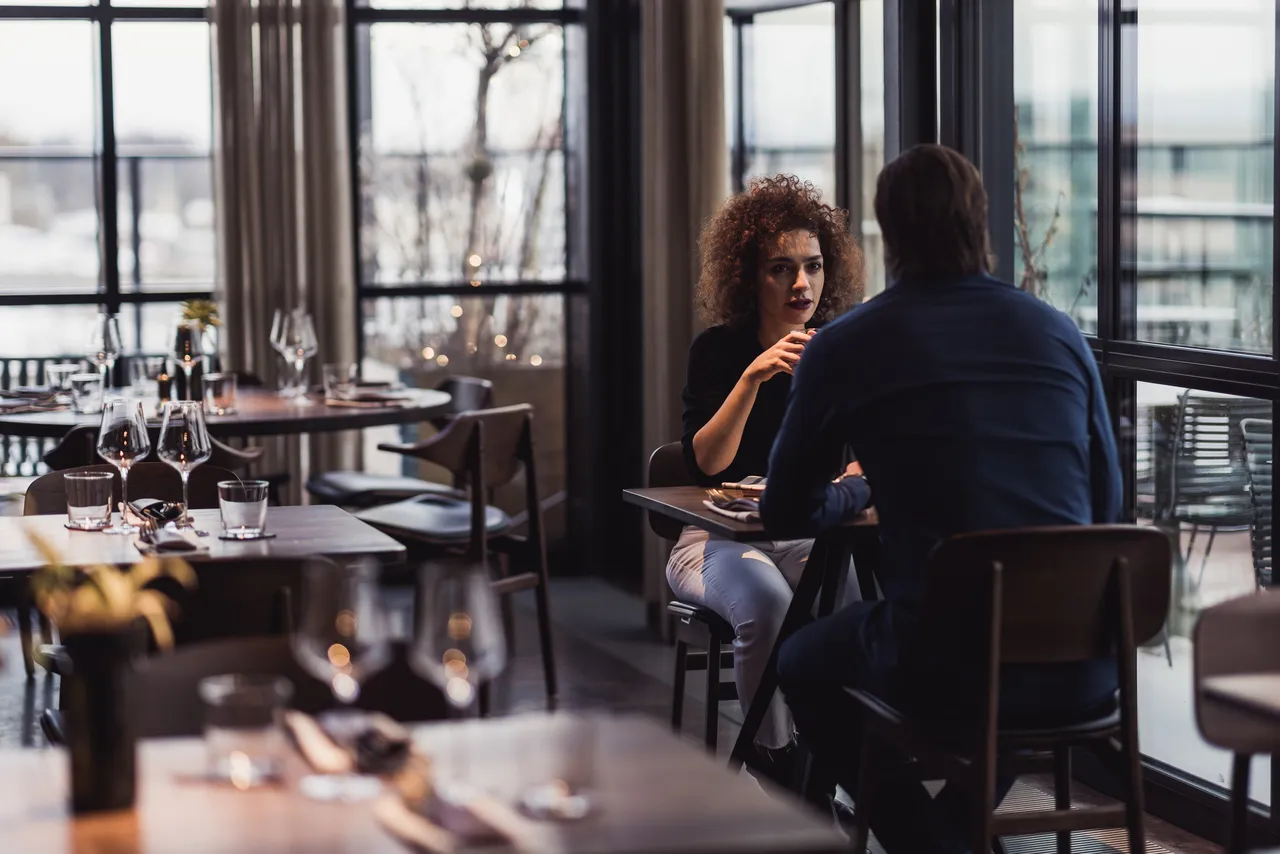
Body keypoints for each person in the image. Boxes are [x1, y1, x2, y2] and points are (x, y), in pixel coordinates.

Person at [759, 145, 1122, 853]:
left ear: (886, 231)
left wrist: (856, 489)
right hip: (1083, 668)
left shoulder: (847, 344)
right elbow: (1106, 508)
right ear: (981, 221)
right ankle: (950, 835)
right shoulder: (1059, 334)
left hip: (947, 667)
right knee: (1005, 644)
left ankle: (930, 844)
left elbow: (784, 512)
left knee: (800, 662)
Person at [668, 174, 864, 785]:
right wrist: (752, 379)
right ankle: (776, 766)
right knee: (768, 604)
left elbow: (861, 457)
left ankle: (837, 763)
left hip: (803, 534)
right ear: (749, 278)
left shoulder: (839, 352)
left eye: (812, 266)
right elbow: (705, 464)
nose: (800, 283)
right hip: (712, 542)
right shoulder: (719, 352)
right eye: (781, 268)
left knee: (851, 600)